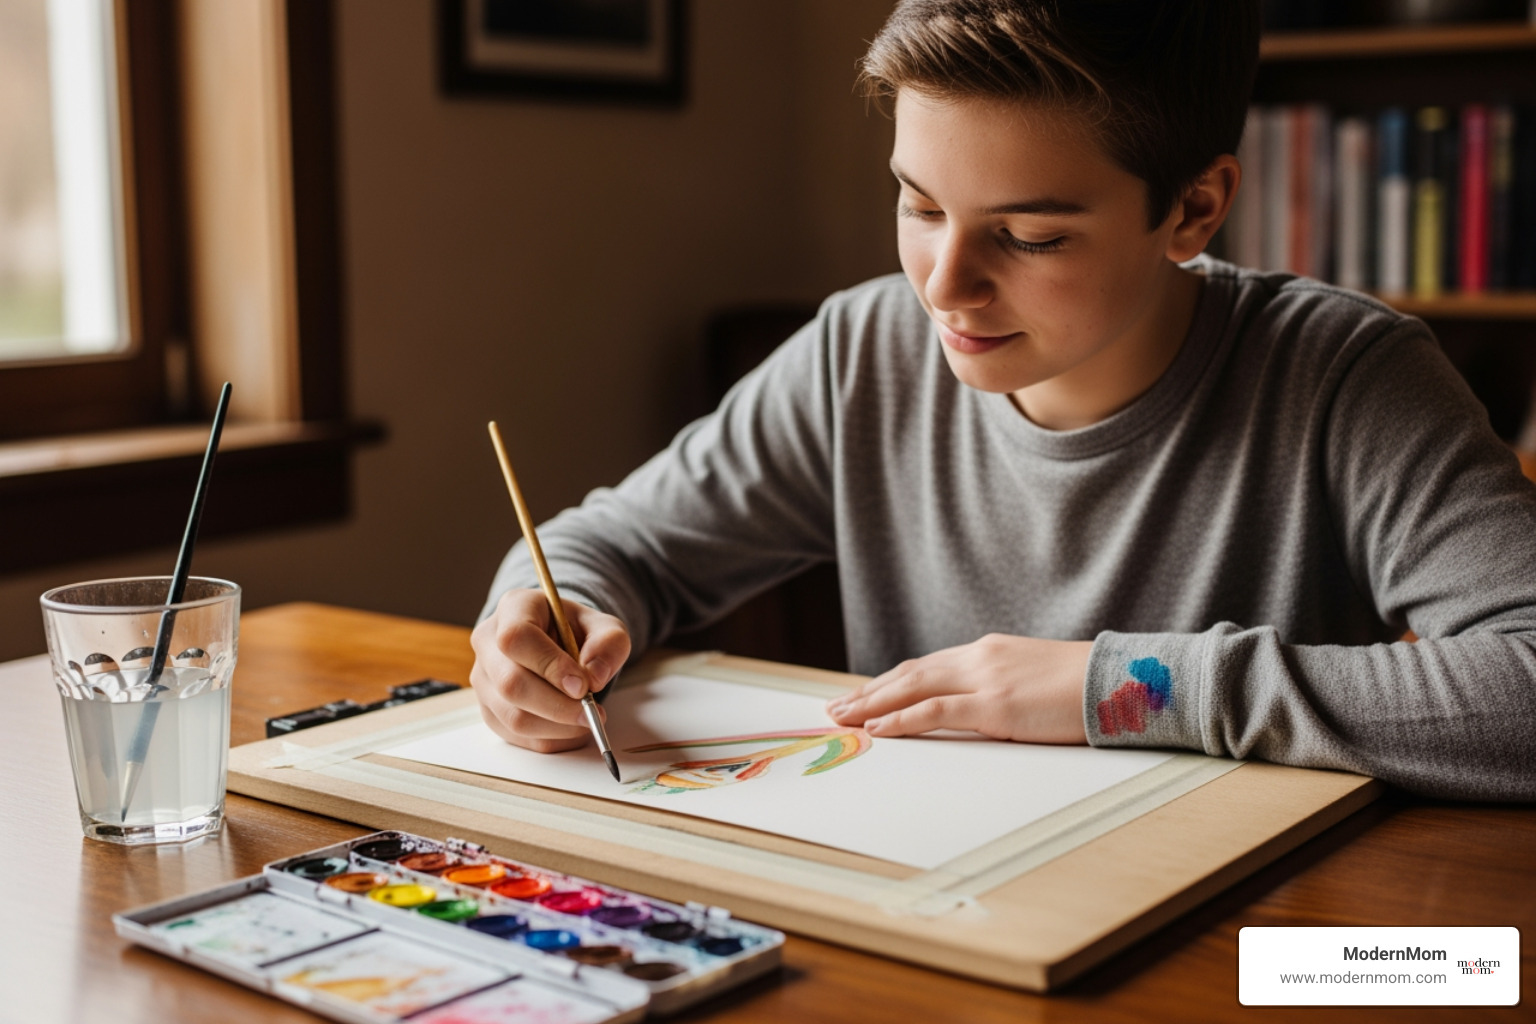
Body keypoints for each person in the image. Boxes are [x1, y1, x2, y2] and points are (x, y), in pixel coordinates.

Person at [471, 0, 1536, 800]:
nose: (943, 284)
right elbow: (613, 545)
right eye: (919, 204)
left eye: (1028, 236)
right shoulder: (864, 349)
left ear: (1195, 208)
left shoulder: (1347, 375)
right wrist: (542, 619)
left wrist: (1123, 690)